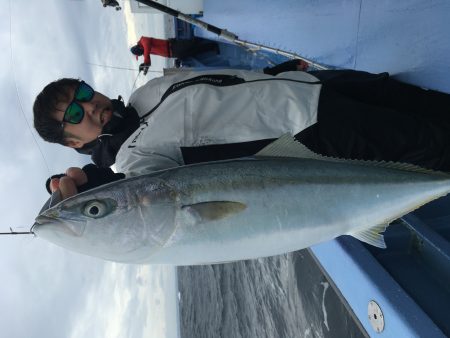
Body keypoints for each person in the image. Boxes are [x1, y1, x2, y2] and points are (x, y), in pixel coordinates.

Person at [33, 62, 450, 199]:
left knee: (421, 101)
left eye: (84, 92)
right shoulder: (134, 159)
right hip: (316, 130)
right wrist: (93, 188)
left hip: (319, 85)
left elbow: (226, 81)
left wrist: (276, 71)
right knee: (433, 145)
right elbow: (143, 193)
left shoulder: (146, 92)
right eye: (74, 113)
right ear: (75, 142)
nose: (89, 105)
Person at [130, 36, 219, 75]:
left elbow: (147, 48)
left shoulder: (143, 40)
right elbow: (146, 55)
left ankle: (211, 35)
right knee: (195, 51)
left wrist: (145, 63)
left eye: (140, 53)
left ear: (139, 48)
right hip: (174, 54)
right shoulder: (145, 50)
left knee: (193, 42)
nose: (142, 54)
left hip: (174, 46)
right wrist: (146, 67)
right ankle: (212, 47)